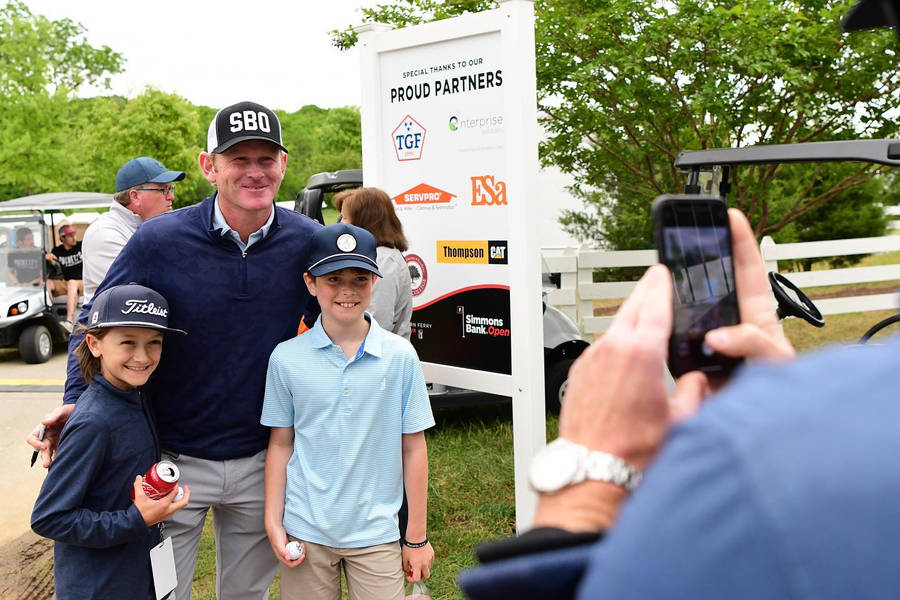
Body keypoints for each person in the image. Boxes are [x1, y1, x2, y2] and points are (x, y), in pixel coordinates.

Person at [27, 100, 322, 600]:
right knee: (164, 594)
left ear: (284, 165)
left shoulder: (309, 242)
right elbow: (91, 321)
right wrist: (78, 401)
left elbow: (331, 334)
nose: (255, 172)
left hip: (262, 458)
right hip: (170, 456)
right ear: (209, 166)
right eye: (238, 159)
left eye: (266, 158)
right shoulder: (158, 239)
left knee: (246, 596)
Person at [262, 223, 435, 600]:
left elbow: (414, 447)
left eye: (360, 278)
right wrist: (273, 523)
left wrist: (417, 536)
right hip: (307, 531)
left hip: (377, 533)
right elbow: (280, 445)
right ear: (311, 283)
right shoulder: (286, 358)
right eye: (333, 278)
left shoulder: (400, 356)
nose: (346, 290)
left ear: (375, 281)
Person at [30, 283, 190, 600]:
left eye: (154, 343)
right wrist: (136, 519)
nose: (142, 357)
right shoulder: (94, 422)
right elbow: (49, 517)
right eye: (128, 342)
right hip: (100, 588)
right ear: (94, 343)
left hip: (137, 574)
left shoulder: (135, 396)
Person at [81, 156, 185, 302]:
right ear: (135, 196)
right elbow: (138, 294)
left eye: (171, 188)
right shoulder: (104, 233)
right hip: (111, 323)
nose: (171, 196)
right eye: (163, 190)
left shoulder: (155, 227)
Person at [335, 188, 413, 339]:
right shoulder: (370, 256)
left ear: (364, 221)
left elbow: (376, 323)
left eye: (345, 218)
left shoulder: (383, 260)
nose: (340, 224)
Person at [45, 224, 84, 327]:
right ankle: (48, 315)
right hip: (66, 282)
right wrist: (49, 259)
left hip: (81, 282)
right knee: (48, 282)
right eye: (70, 236)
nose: (74, 238)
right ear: (62, 238)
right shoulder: (57, 251)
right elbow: (53, 269)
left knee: (72, 283)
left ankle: (69, 321)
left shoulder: (81, 246)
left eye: (74, 235)